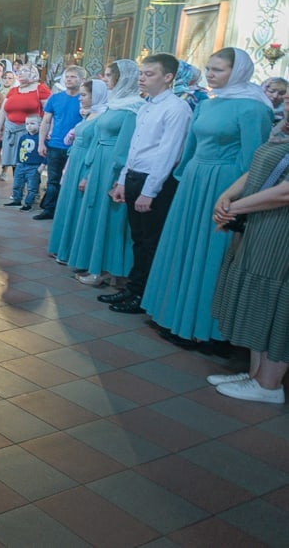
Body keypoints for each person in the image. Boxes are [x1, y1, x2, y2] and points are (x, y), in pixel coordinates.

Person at [142, 47, 273, 341]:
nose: (211, 75)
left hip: (223, 184)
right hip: (193, 182)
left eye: (219, 69)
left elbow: (254, 160)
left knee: (210, 253)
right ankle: (172, 314)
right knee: (183, 246)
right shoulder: (207, 104)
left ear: (236, 72)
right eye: (209, 68)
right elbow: (191, 146)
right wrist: (183, 176)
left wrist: (238, 198)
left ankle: (204, 329)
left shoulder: (254, 108)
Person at [102, 54, 192, 314]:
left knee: (150, 241)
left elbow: (168, 153)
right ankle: (133, 287)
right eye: (141, 73)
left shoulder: (176, 108)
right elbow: (135, 147)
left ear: (168, 77)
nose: (142, 77)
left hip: (155, 182)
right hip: (134, 177)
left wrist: (149, 191)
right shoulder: (146, 106)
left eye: (149, 73)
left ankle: (143, 295)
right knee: (138, 239)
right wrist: (122, 181)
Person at [208, 114, 289, 404]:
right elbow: (258, 170)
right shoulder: (281, 132)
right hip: (262, 222)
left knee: (274, 299)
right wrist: (228, 196)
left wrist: (236, 208)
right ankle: (256, 375)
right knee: (257, 297)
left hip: (281, 230)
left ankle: (269, 384)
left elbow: (285, 192)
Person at [66, 61, 143, 287]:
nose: (105, 78)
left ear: (122, 78)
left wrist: (118, 175)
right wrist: (89, 169)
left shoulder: (133, 107)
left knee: (110, 216)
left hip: (113, 165)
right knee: (96, 212)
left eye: (110, 75)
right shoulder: (115, 103)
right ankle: (96, 265)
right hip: (100, 161)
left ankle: (110, 270)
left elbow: (126, 144)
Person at [48, 78, 107, 266]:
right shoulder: (89, 114)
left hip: (85, 163)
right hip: (74, 161)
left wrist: (88, 173)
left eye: (84, 95)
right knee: (67, 203)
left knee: (77, 207)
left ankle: (73, 249)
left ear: (95, 95)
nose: (80, 98)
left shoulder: (102, 116)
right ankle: (62, 246)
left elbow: (97, 146)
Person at [35, 65, 87, 220]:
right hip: (56, 145)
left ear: (82, 80)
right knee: (53, 180)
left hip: (76, 146)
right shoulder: (55, 98)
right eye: (67, 76)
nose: (69, 79)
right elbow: (45, 122)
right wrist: (41, 143)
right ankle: (49, 210)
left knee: (73, 180)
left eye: (73, 77)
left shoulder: (84, 99)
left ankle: (68, 211)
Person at [0, 64, 51, 185]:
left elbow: (49, 113)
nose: (20, 73)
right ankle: (17, 190)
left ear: (33, 73)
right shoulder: (14, 90)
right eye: (19, 71)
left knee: (30, 162)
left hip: (30, 131)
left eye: (24, 71)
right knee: (16, 162)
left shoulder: (40, 89)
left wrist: (48, 131)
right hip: (12, 130)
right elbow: (3, 111)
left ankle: (32, 191)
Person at [4, 115, 45, 210]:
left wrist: (42, 165)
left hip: (34, 166)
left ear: (40, 125)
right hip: (21, 165)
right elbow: (19, 150)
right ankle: (17, 200)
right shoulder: (23, 137)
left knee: (32, 187)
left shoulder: (41, 139)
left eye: (32, 123)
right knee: (17, 184)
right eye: (27, 124)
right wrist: (18, 162)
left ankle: (28, 204)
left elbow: (45, 153)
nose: (29, 126)